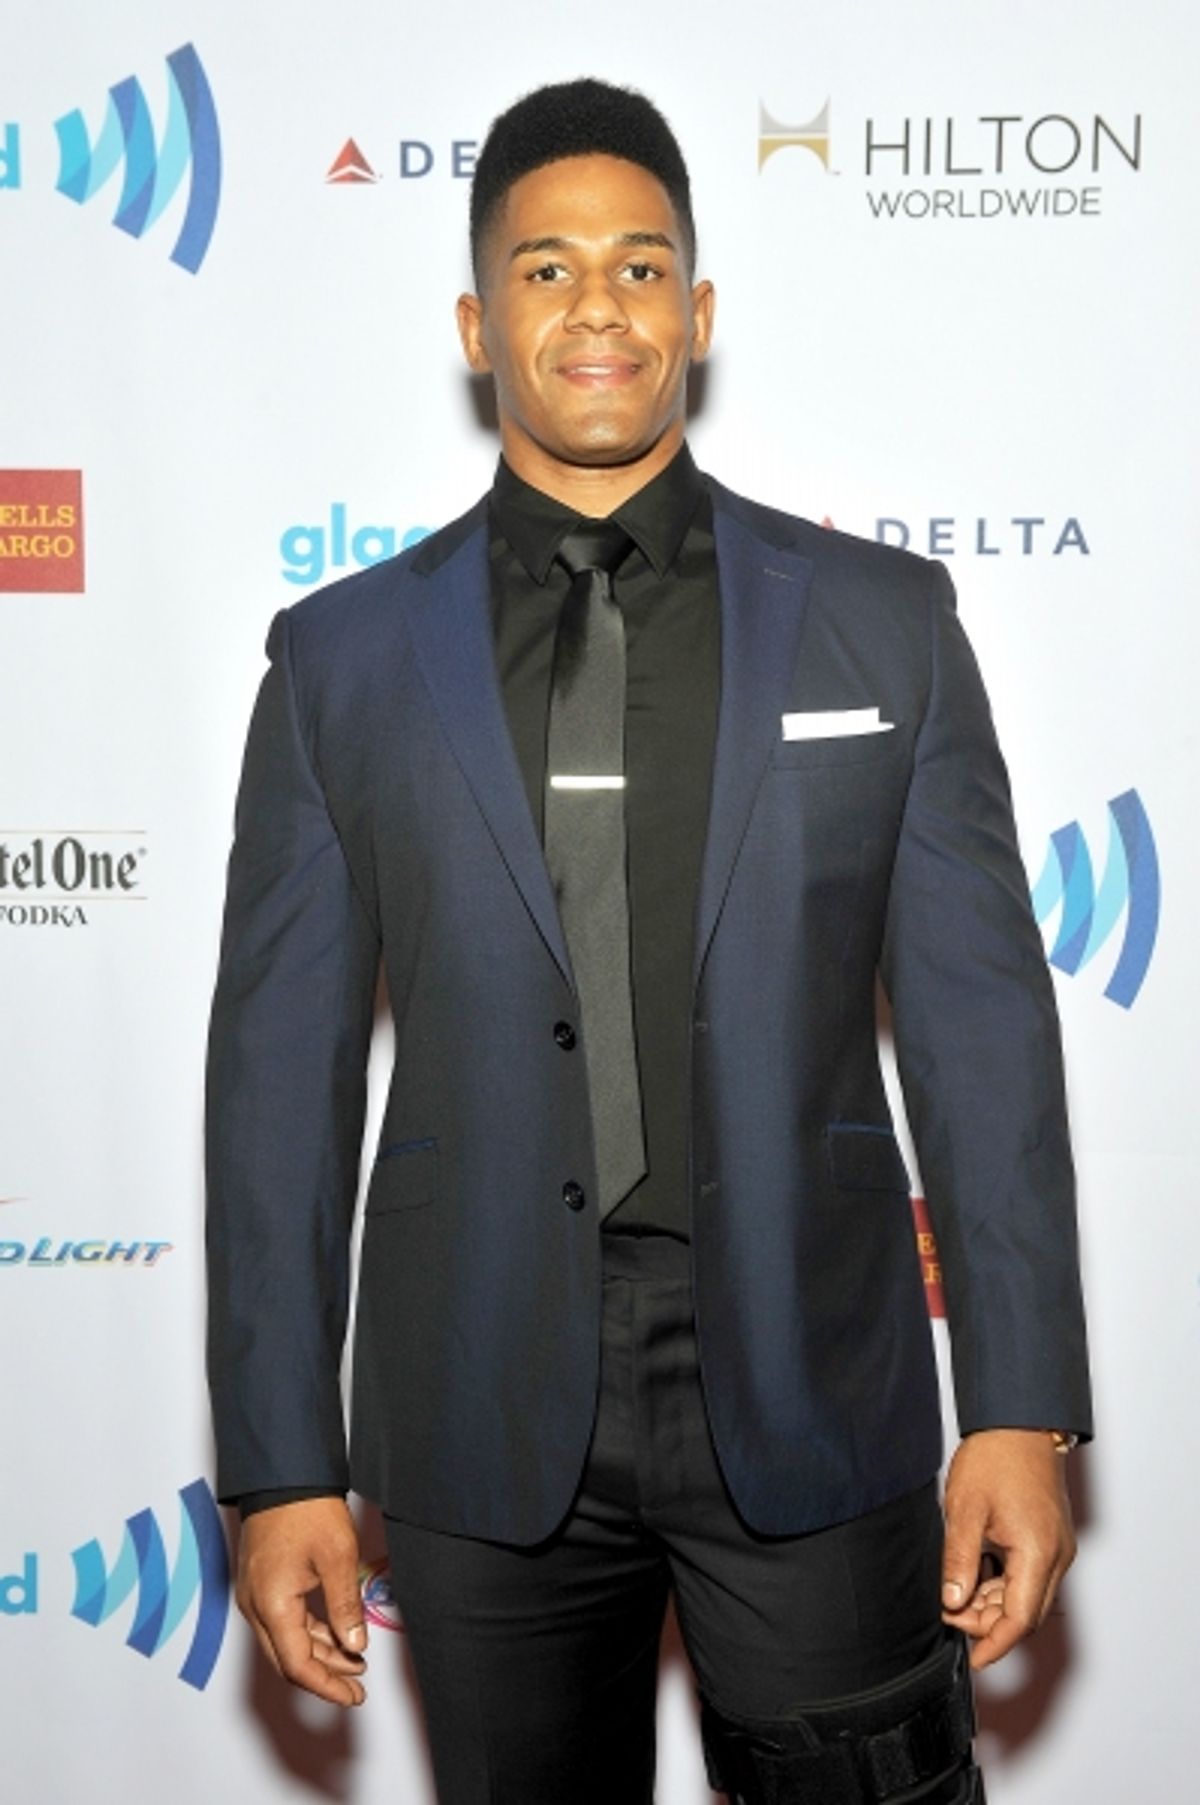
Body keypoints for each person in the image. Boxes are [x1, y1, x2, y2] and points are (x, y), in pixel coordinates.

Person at [206, 77, 1091, 1805]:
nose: (597, 304)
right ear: (479, 326)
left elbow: (986, 1034)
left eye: (639, 264)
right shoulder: (338, 663)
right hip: (478, 1392)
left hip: (813, 1369)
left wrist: (1021, 1401)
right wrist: (278, 1461)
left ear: (699, 309)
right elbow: (275, 1085)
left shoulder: (886, 623)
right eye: (545, 269)